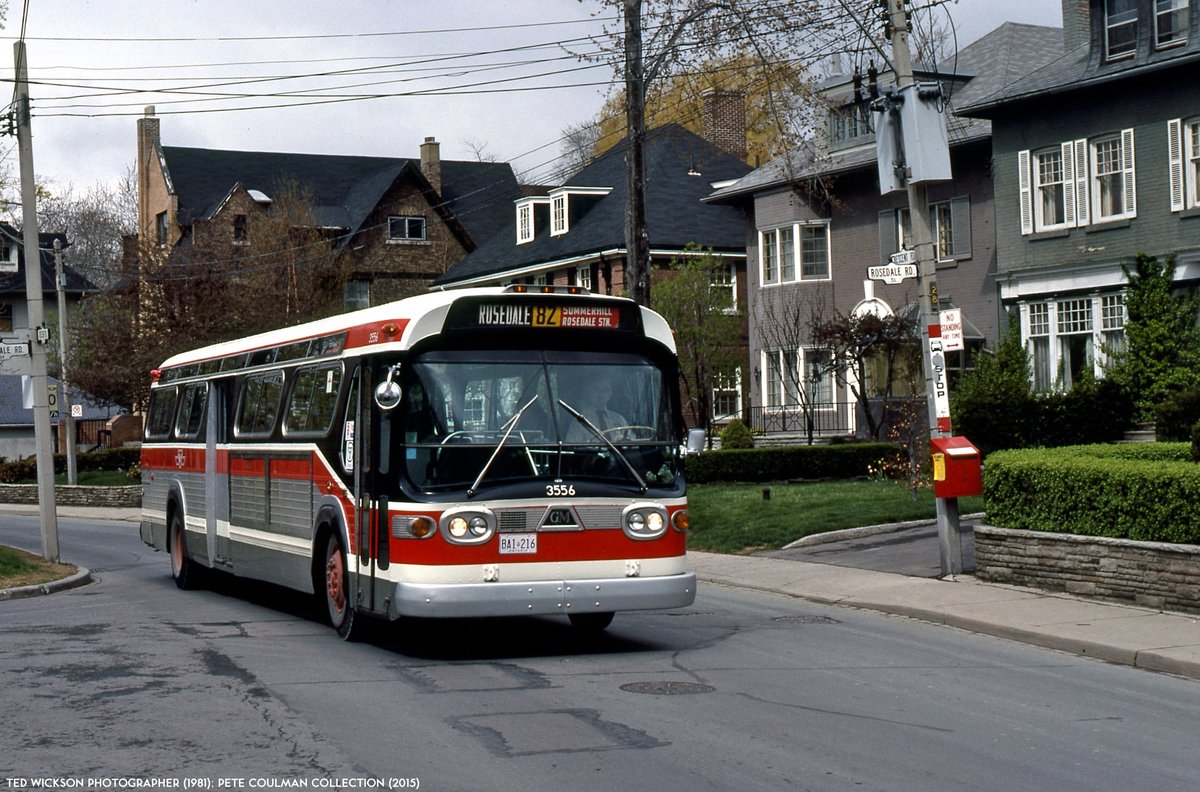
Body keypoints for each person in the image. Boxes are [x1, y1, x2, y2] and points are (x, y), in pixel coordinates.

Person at [562, 378, 627, 441]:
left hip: (618, 452)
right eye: (597, 389)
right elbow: (573, 447)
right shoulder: (579, 422)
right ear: (590, 393)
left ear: (610, 394)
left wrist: (623, 441)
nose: (601, 394)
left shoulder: (619, 419)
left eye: (605, 390)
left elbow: (632, 441)